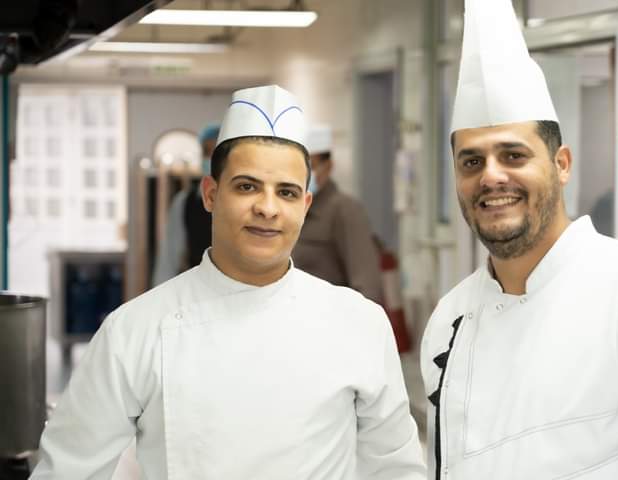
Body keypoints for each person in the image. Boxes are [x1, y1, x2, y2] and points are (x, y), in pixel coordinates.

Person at [31, 85, 425, 479]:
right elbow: (67, 470)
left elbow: (395, 470)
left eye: (286, 192)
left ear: (305, 206)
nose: (267, 208)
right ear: (210, 194)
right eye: (247, 186)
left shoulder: (360, 324)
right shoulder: (135, 330)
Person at [420, 1, 618, 479]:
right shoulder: (449, 319)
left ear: (561, 164)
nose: (491, 177)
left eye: (513, 155)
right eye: (471, 162)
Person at [292, 125, 384, 304]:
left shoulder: (345, 210)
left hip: (329, 317)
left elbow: (367, 285)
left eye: (310, 166)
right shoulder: (291, 209)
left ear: (328, 166)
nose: (302, 174)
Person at [151, 124, 219, 286]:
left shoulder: (247, 203)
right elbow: (169, 259)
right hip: (197, 289)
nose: (210, 158)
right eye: (206, 152)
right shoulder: (185, 202)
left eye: (216, 152)